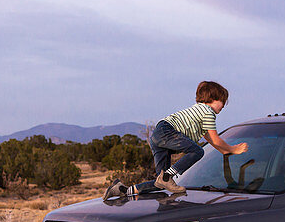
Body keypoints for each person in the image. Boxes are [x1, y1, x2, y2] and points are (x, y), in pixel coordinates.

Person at [105, 81, 248, 198]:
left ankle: (122, 190)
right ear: (212, 99)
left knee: (159, 183)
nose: (223, 105)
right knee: (198, 152)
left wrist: (224, 151)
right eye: (222, 101)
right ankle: (167, 177)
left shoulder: (198, 111)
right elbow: (216, 139)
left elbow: (210, 138)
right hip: (168, 132)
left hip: (159, 134)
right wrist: (233, 149)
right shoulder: (208, 112)